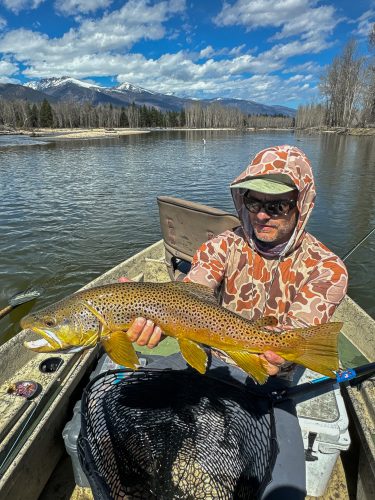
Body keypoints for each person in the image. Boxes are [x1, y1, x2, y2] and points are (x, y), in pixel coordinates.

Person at [121, 144, 348, 498]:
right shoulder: (222, 246)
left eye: (276, 205)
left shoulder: (327, 270)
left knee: (285, 491)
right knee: (130, 401)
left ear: (300, 206)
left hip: (273, 382)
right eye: (253, 202)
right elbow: (193, 288)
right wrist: (145, 304)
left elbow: (295, 338)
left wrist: (279, 356)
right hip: (212, 358)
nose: (261, 216)